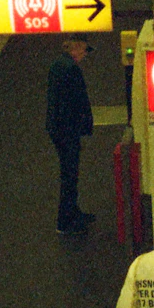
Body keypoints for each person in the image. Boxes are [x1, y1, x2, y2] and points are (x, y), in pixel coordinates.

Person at [46, 38, 95, 233]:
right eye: (84, 49)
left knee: (70, 173)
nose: (85, 54)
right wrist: (82, 126)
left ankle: (73, 213)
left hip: (59, 129)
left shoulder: (58, 64)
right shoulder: (70, 69)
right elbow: (78, 100)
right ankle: (66, 221)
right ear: (74, 47)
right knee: (69, 175)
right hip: (67, 130)